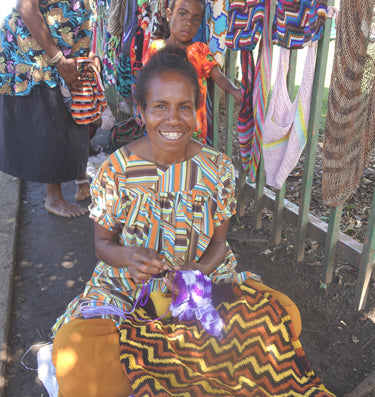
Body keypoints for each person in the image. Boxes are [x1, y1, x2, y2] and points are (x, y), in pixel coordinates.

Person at [50, 48, 334, 396]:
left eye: (184, 106)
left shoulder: (218, 170)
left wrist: (194, 272)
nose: (173, 119)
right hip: (127, 289)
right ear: (141, 111)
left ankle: (169, 357)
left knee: (285, 317)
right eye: (160, 107)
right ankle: (174, 354)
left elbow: (219, 245)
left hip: (203, 284)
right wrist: (129, 257)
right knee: (78, 360)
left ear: (197, 111)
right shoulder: (116, 170)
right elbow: (103, 244)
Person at [0, 0, 99, 218]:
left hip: (65, 54)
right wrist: (58, 59)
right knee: (53, 119)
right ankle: (54, 198)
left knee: (77, 113)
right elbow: (26, 7)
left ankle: (82, 182)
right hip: (38, 56)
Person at [142, 0, 242, 144]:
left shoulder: (200, 50)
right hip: (162, 120)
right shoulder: (156, 48)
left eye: (196, 19)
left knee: (190, 162)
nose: (189, 23)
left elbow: (219, 77)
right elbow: (144, 81)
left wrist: (234, 90)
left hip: (192, 125)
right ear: (169, 15)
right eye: (183, 14)